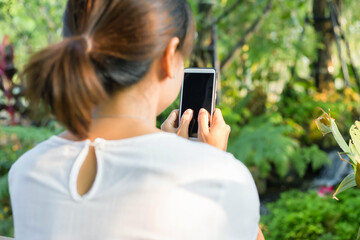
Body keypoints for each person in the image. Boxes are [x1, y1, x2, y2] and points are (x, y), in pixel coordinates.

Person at [9, 0, 264, 239]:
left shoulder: (26, 170)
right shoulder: (220, 176)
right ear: (169, 55)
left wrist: (170, 148)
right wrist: (210, 162)